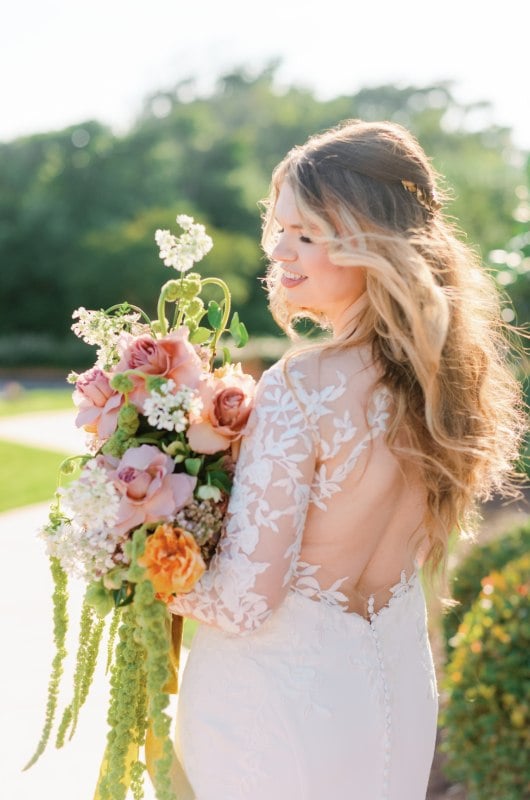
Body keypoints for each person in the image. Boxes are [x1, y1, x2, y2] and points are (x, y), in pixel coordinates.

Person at [168, 119, 527, 799]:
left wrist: (135, 558)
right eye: (279, 229)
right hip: (391, 698)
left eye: (306, 233)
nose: (279, 250)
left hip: (275, 709)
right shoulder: (444, 386)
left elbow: (245, 601)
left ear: (371, 243)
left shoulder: (302, 387)